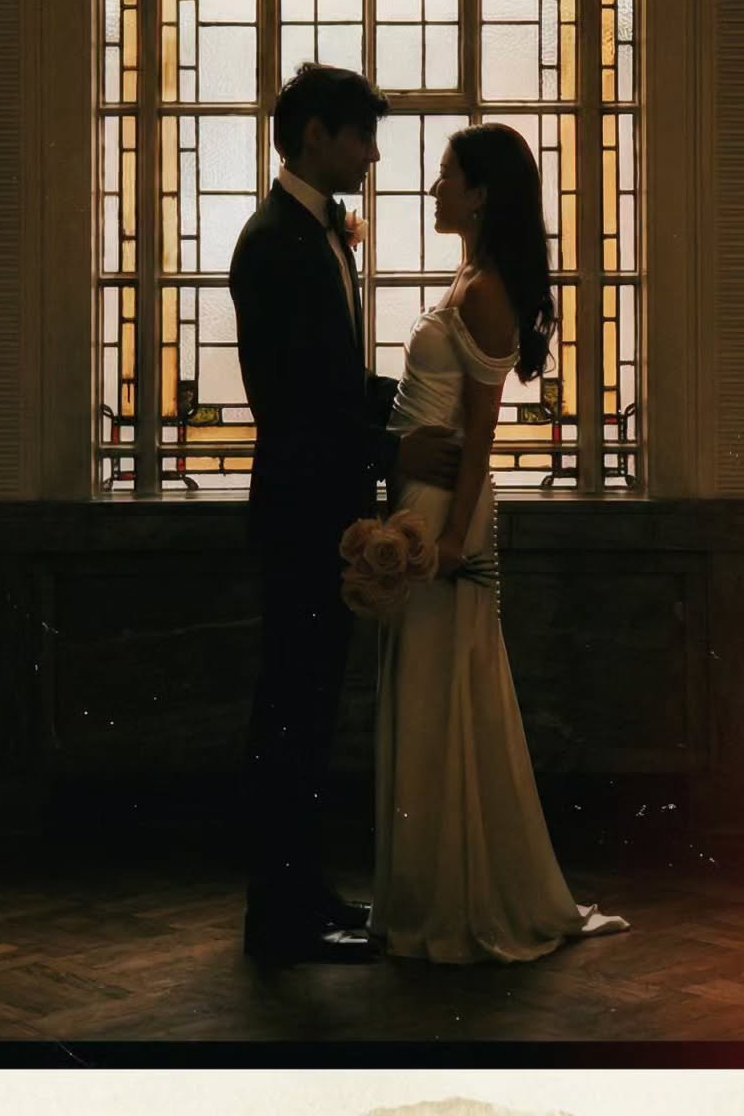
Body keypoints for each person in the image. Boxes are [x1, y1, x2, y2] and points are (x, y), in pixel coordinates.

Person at [370, 123, 630, 963]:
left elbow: (481, 431)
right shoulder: (468, 277)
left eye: (446, 175)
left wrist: (450, 538)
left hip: (446, 506)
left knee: (444, 685)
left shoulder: (485, 292)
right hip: (420, 497)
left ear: (480, 194)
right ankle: (430, 887)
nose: (434, 187)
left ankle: (459, 896)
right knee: (426, 685)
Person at [229, 63, 462, 966]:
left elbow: (329, 378)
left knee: (309, 711)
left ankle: (301, 895)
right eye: (363, 136)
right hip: (302, 514)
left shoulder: (313, 233)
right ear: (317, 135)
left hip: (316, 507)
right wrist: (393, 452)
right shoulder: (275, 242)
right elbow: (293, 402)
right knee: (293, 712)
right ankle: (279, 914)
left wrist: (406, 409)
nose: (373, 155)